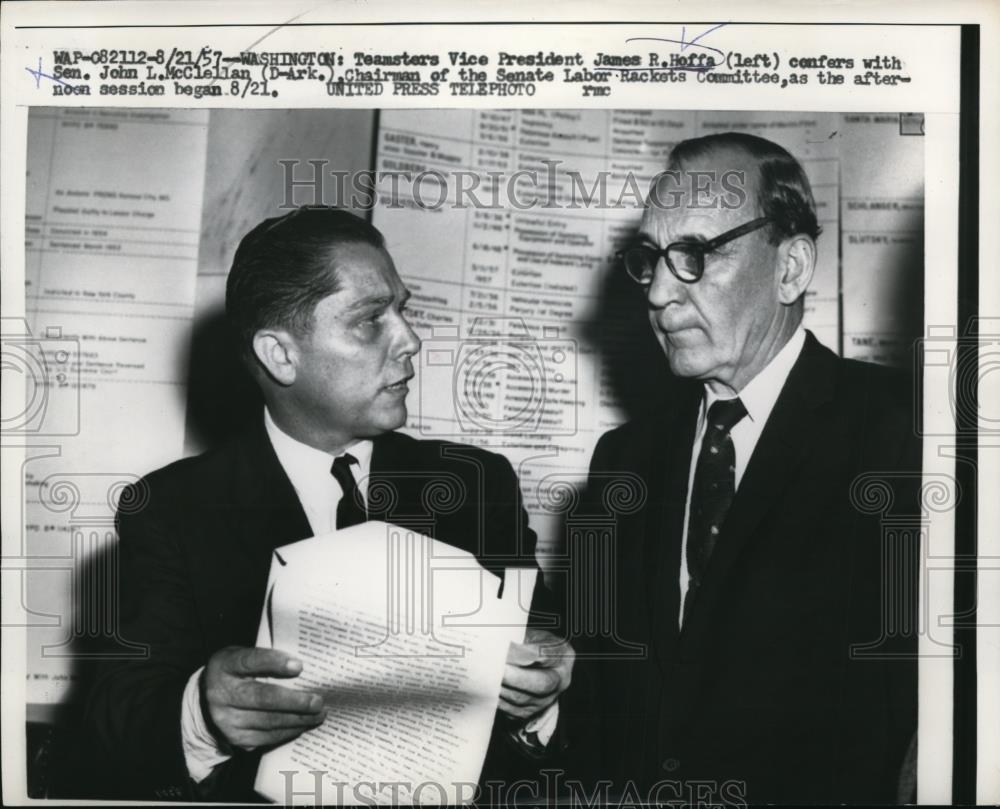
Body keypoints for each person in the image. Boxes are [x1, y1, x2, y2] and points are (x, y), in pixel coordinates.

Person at [83, 208, 573, 802]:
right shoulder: (171, 509)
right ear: (280, 355)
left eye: (403, 309)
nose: (411, 340)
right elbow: (117, 716)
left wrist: (544, 697)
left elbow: (561, 676)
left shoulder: (476, 485)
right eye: (370, 320)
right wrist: (204, 713)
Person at [565, 133, 919, 804]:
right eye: (650, 259)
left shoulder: (902, 432)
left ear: (790, 267)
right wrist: (552, 695)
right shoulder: (623, 464)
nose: (660, 294)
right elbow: (610, 705)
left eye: (694, 254)